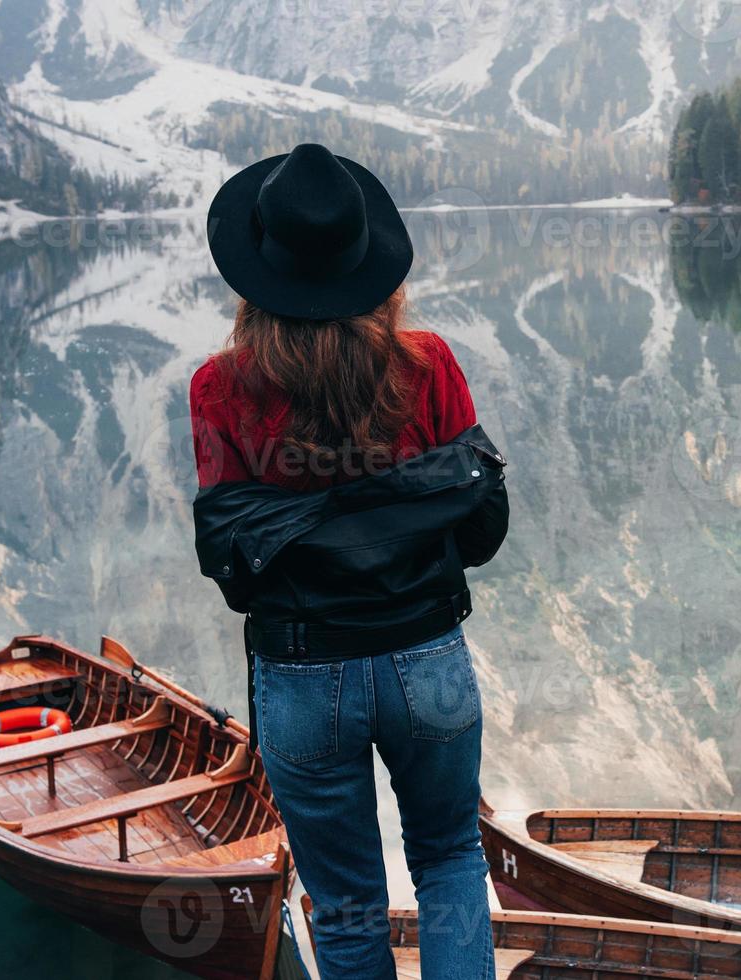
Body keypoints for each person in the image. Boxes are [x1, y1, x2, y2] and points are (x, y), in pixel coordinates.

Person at [190, 143, 508, 980]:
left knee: (345, 900)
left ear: (258, 273)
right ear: (371, 264)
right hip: (426, 659)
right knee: (447, 861)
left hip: (302, 674)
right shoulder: (428, 363)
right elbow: (478, 531)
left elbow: (235, 571)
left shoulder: (218, 387)